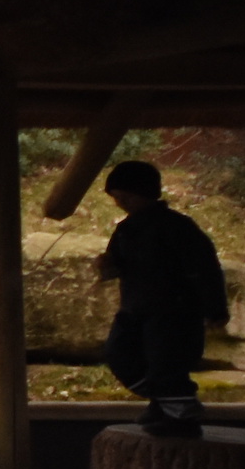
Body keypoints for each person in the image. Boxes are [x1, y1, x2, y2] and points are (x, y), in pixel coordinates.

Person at [95, 159, 229, 437]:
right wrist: (107, 266)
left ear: (141, 193)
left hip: (174, 313)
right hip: (134, 309)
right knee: (119, 355)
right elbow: (116, 264)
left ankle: (180, 415)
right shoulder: (126, 229)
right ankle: (164, 401)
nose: (120, 203)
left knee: (167, 364)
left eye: (123, 197)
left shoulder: (179, 228)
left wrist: (215, 309)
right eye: (117, 198)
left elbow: (205, 269)